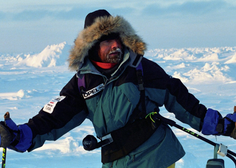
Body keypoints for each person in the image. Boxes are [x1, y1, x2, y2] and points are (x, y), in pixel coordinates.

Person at [0, 9, 236, 168]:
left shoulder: (141, 69)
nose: (115, 45)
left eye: (117, 39)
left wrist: (225, 126)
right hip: (115, 161)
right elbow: (53, 119)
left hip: (157, 157)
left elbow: (182, 102)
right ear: (91, 45)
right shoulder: (83, 83)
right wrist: (20, 136)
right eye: (106, 40)